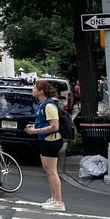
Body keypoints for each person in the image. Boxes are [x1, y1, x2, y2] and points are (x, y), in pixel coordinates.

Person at [25, 80, 65, 211]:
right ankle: (54, 198)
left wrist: (35, 131)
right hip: (45, 139)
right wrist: (35, 126)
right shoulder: (43, 104)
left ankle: (59, 201)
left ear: (41, 91)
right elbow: (44, 122)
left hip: (51, 140)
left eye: (34, 87)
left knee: (52, 171)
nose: (32, 89)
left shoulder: (49, 105)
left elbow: (54, 126)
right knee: (48, 170)